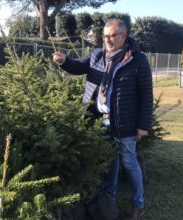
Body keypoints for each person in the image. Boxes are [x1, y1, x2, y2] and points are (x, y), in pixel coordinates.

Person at [53, 19, 153, 220]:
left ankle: (138, 204)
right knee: (110, 163)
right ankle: (109, 202)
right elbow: (79, 66)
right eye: (105, 36)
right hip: (100, 121)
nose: (107, 39)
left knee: (128, 162)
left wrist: (143, 125)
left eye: (112, 35)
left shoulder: (136, 60)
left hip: (125, 123)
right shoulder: (99, 55)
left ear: (123, 36)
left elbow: (146, 94)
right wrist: (64, 60)